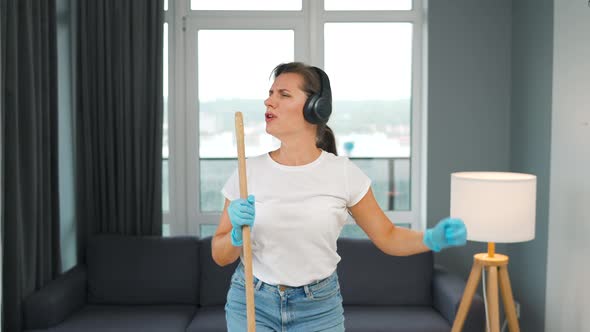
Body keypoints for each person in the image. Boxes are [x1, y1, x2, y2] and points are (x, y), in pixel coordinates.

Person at [211, 62, 467, 332]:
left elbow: (388, 236)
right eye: (270, 93)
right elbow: (220, 255)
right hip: (252, 301)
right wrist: (236, 236)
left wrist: (431, 238)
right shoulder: (248, 171)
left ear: (315, 107)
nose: (268, 101)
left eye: (283, 94)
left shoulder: (343, 173)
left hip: (318, 309)